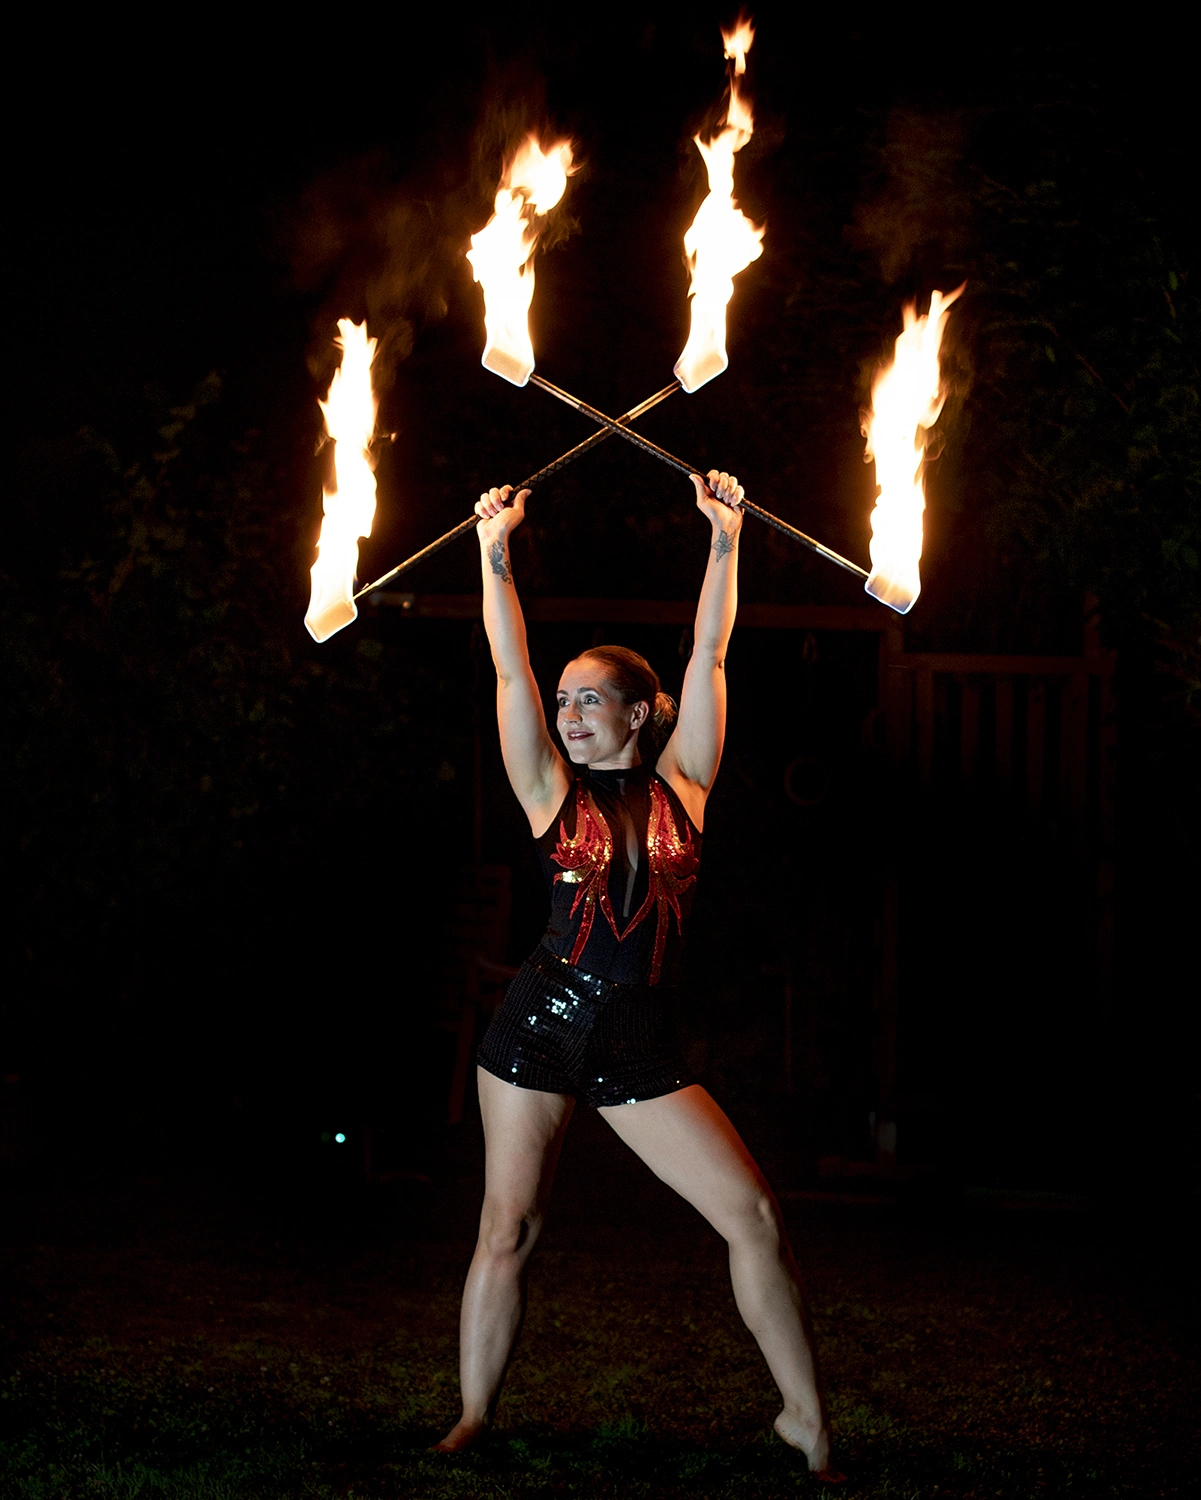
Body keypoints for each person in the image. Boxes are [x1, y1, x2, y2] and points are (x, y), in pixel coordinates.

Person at [436, 470, 842, 1482]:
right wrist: (494, 550)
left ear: (640, 712)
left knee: (752, 1216)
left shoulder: (685, 785)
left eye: (590, 699)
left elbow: (710, 652)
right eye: (564, 700)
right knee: (508, 1225)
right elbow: (508, 670)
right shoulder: (549, 794)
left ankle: (804, 1421)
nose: (569, 714)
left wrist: (724, 536)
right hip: (536, 1026)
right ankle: (473, 1417)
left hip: (637, 1043)